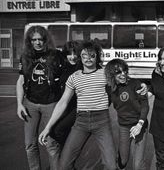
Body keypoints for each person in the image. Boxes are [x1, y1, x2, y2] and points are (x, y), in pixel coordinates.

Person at [38, 40, 117, 170]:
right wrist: (48, 127)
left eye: (92, 55)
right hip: (81, 122)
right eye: (84, 55)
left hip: (102, 122)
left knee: (111, 165)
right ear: (80, 57)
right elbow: (63, 102)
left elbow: (125, 84)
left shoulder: (106, 74)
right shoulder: (74, 77)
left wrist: (142, 86)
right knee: (64, 165)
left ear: (97, 56)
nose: (88, 59)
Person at [16, 25, 63, 170]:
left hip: (51, 104)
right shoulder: (25, 57)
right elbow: (21, 81)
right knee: (30, 144)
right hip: (30, 104)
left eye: (40, 39)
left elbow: (66, 77)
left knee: (51, 144)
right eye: (34, 40)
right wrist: (19, 104)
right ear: (29, 41)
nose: (37, 42)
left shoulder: (55, 55)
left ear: (45, 40)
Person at [105, 58, 149, 170]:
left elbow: (145, 105)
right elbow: (104, 103)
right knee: (123, 161)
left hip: (140, 125)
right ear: (111, 75)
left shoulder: (135, 84)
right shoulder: (109, 89)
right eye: (118, 72)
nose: (123, 74)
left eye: (124, 70)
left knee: (138, 165)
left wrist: (140, 124)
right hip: (124, 126)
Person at [50, 41, 80, 146]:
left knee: (58, 129)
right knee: (56, 130)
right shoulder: (63, 68)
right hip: (64, 105)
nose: (72, 57)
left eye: (75, 53)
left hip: (78, 107)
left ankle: (67, 154)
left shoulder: (82, 69)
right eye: (69, 53)